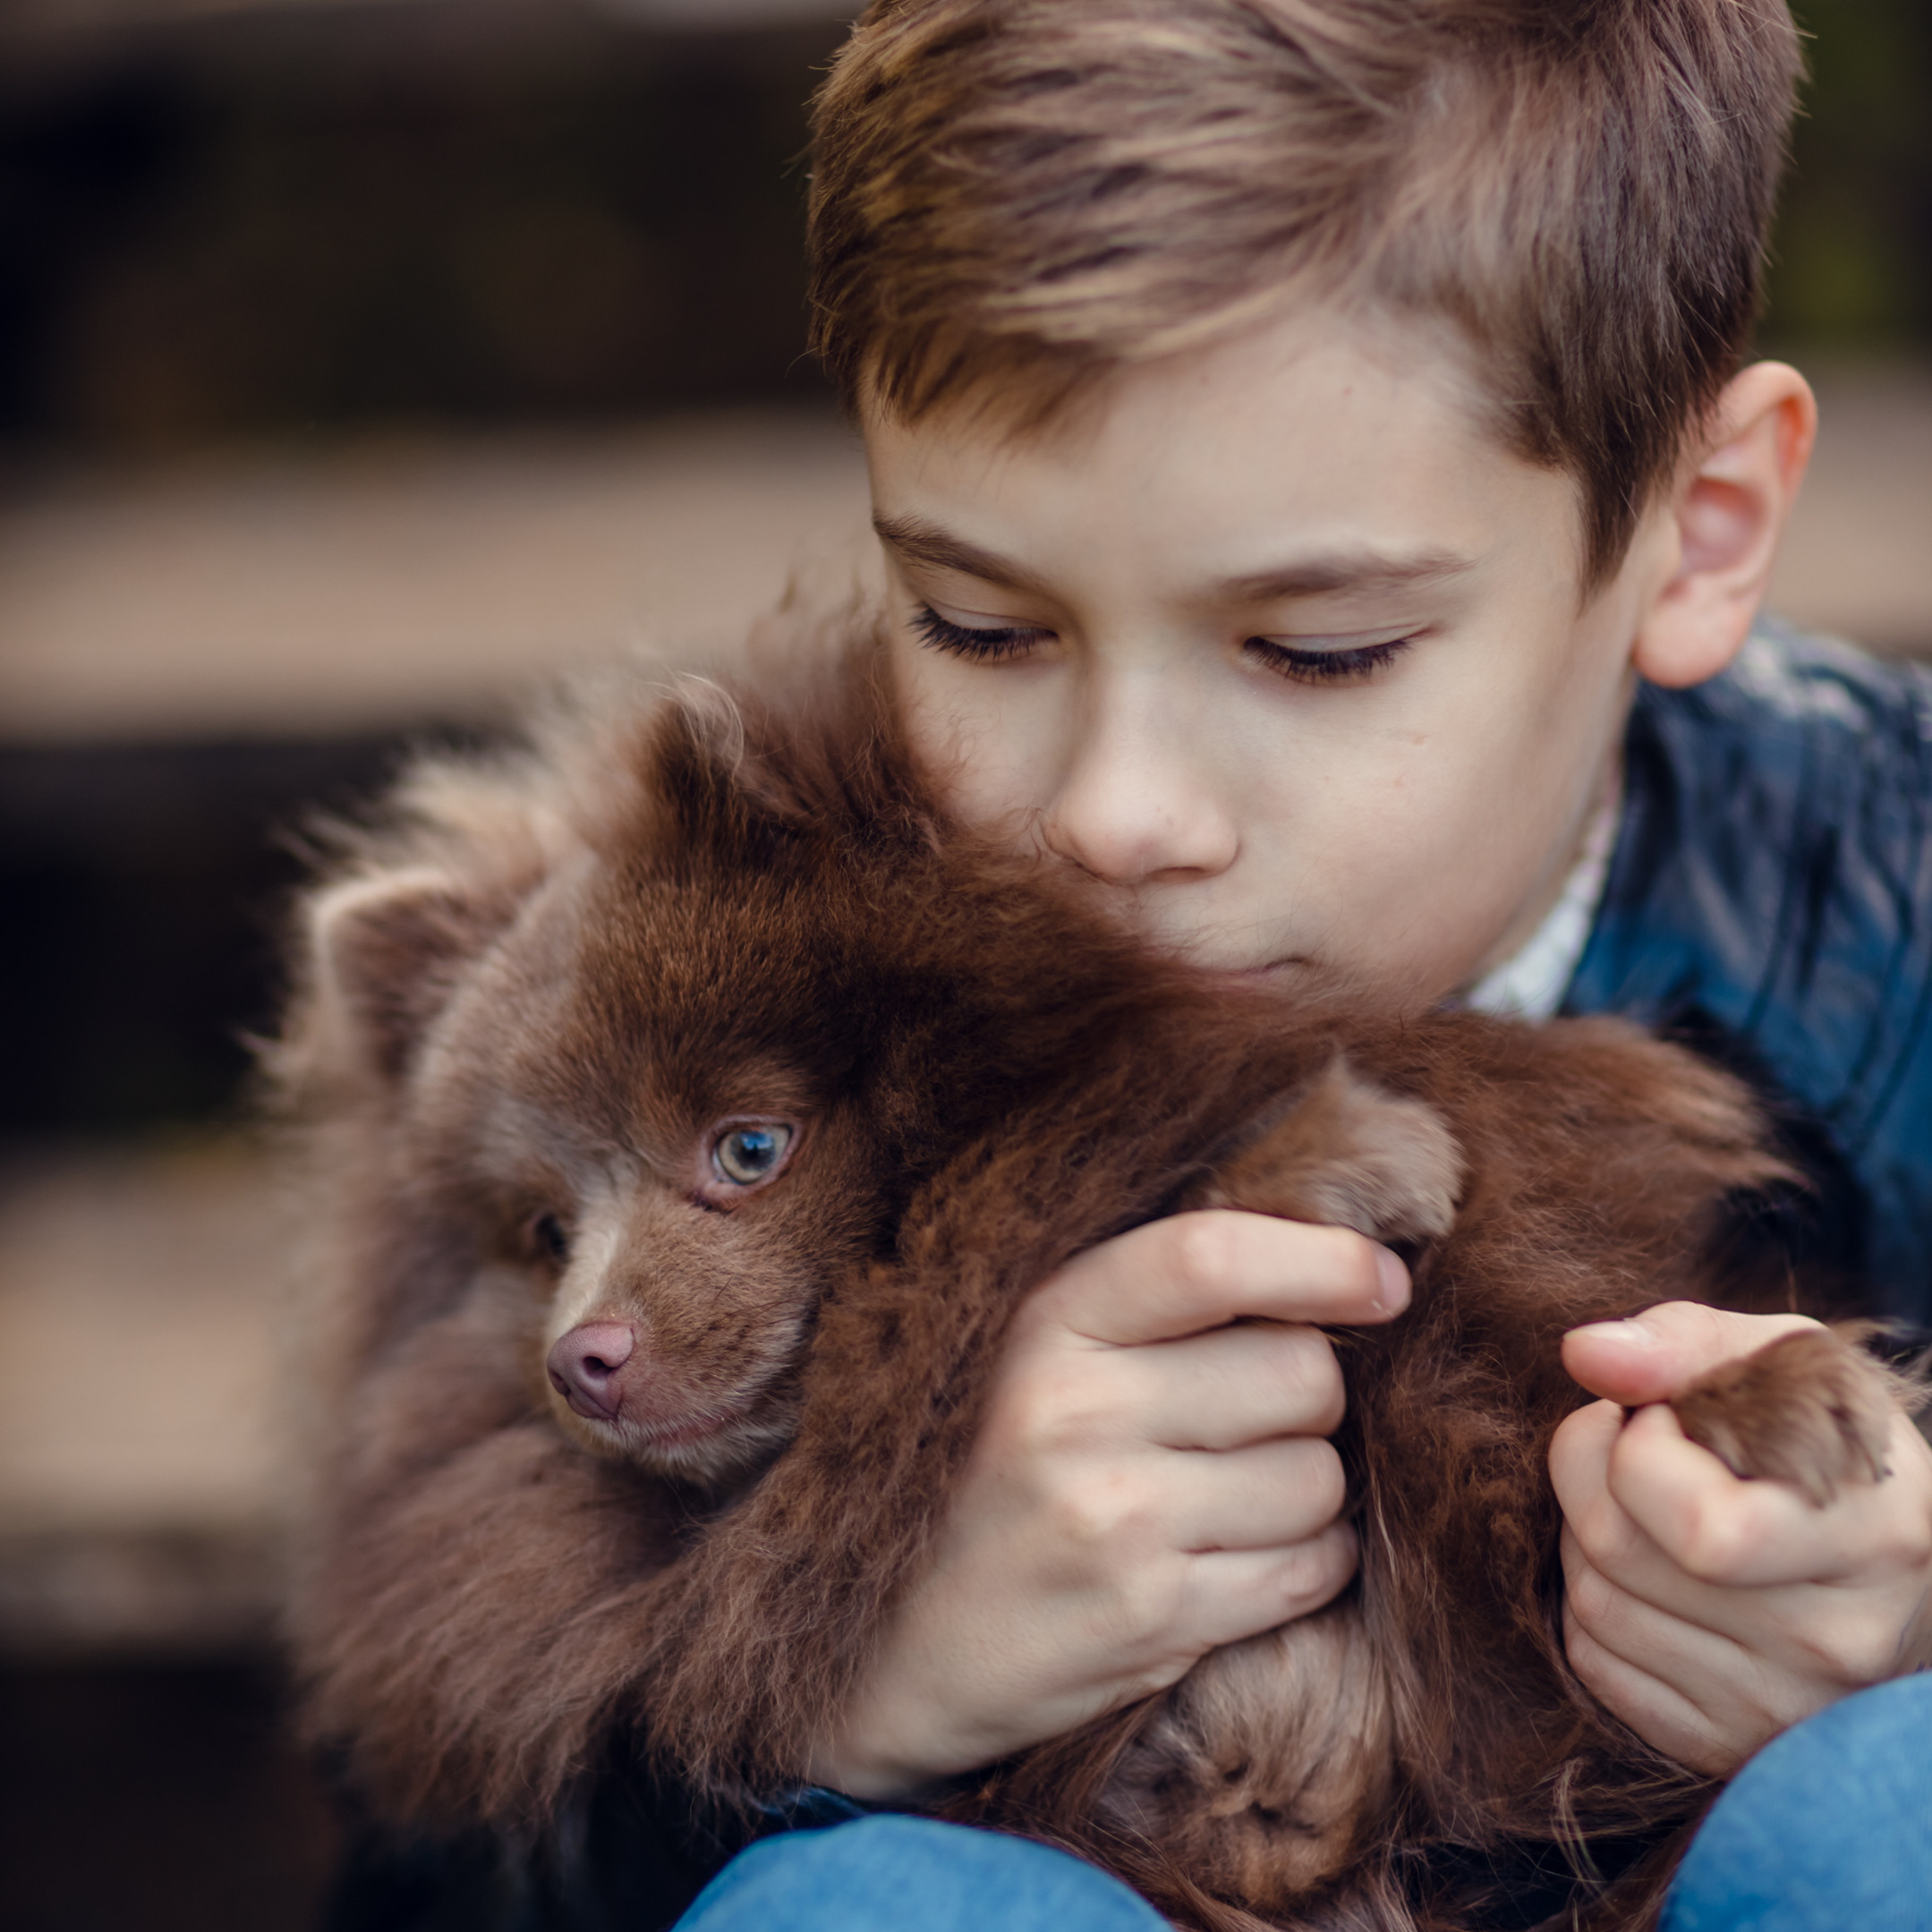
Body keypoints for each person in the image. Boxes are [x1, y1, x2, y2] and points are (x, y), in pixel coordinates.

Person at [323, 3, 1932, 1927]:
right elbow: (426, 1839)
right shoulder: (749, 955)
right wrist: (814, 1697)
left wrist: (1895, 1627)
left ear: (1695, 528)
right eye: (981, 625)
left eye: (1315, 649)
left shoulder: (1883, 899)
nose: (1117, 810)